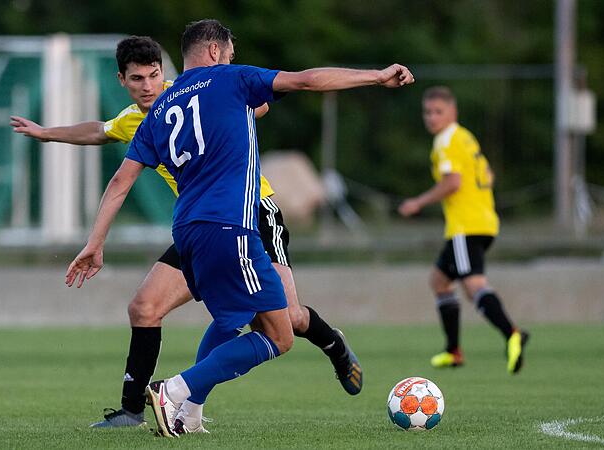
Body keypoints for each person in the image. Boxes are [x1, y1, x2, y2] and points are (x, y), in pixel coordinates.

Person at [65, 19, 414, 437]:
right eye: (229, 53)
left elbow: (120, 181)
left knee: (238, 319)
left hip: (189, 232)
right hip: (233, 225)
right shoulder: (232, 79)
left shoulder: (159, 108)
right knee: (280, 333)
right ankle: (175, 391)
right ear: (215, 52)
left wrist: (94, 243)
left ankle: (190, 413)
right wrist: (375, 76)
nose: (232, 59)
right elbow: (305, 81)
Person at [398, 86, 528, 375]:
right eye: (427, 112)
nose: (431, 117)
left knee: (473, 286)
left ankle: (512, 333)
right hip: (484, 221)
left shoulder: (446, 141)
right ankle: (453, 351)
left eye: (438, 112)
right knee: (439, 281)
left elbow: (453, 182)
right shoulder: (465, 137)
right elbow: (487, 174)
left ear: (452, 112)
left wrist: (418, 202)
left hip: (465, 226)